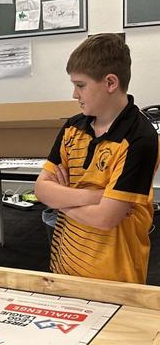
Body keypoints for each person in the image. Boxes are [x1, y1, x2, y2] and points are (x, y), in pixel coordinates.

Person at [34, 33, 158, 284]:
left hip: (115, 278)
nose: (74, 94)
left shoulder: (140, 139)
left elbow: (106, 218)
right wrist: (95, 196)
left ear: (110, 82)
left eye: (81, 85)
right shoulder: (72, 128)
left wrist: (61, 198)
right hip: (64, 266)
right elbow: (40, 189)